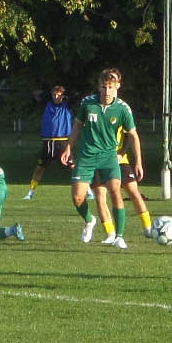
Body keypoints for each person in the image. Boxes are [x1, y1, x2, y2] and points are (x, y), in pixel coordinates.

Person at [64, 69, 141, 250]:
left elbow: (133, 135)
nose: (107, 91)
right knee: (77, 197)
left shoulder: (122, 109)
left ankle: (119, 237)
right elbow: (77, 127)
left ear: (117, 87)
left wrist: (138, 161)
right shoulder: (87, 104)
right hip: (86, 156)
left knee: (115, 192)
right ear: (99, 86)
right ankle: (89, 220)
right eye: (104, 87)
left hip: (109, 157)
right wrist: (68, 147)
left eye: (110, 87)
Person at [25, 84, 74, 198]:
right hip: (47, 143)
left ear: (63, 96)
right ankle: (30, 193)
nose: (56, 97)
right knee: (39, 168)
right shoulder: (47, 105)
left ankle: (88, 191)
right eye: (54, 94)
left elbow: (76, 96)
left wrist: (65, 95)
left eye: (59, 95)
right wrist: (47, 93)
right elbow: (36, 94)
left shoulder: (67, 106)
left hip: (61, 142)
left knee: (73, 167)